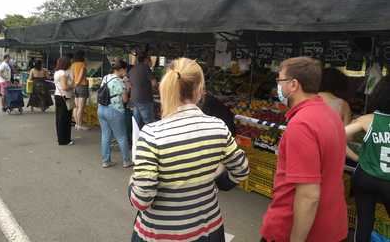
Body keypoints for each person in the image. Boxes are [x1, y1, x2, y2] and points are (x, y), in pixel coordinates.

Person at [128, 58, 249, 242]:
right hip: (210, 230)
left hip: (160, 234)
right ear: (200, 90)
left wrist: (131, 183)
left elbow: (142, 200)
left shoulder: (151, 134)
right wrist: (216, 181)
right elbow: (241, 170)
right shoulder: (219, 127)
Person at [260, 57, 348, 242]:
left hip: (293, 230)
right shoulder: (331, 115)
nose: (278, 85)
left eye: (280, 80)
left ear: (293, 85)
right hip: (332, 226)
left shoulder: (301, 125)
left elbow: (308, 195)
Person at [345, 75, 390, 242]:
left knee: (364, 222)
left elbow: (337, 136)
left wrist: (357, 158)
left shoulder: (367, 120)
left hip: (365, 177)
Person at [98, 59, 132, 169]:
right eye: (125, 69)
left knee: (105, 135)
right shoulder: (119, 82)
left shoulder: (106, 77)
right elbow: (125, 99)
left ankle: (105, 161)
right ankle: (126, 161)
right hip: (114, 111)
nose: (126, 72)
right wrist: (127, 86)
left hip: (101, 109)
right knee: (122, 136)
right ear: (121, 69)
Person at [128, 53, 157, 127]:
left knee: (136, 123)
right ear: (146, 60)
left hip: (134, 99)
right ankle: (149, 138)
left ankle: (136, 138)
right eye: (150, 60)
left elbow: (129, 84)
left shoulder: (132, 69)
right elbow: (154, 83)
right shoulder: (146, 68)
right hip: (144, 99)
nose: (151, 62)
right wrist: (155, 89)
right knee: (149, 122)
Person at [54, 57, 74, 146]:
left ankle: (61, 138)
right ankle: (64, 140)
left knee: (59, 119)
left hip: (58, 95)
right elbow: (64, 87)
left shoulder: (57, 72)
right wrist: (73, 85)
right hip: (64, 96)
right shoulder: (63, 73)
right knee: (65, 119)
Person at [71, 50, 89, 131]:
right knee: (81, 107)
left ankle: (77, 124)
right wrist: (78, 83)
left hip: (75, 87)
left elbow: (72, 76)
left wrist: (74, 85)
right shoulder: (83, 65)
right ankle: (79, 124)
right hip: (82, 86)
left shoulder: (73, 65)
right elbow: (81, 76)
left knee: (76, 106)